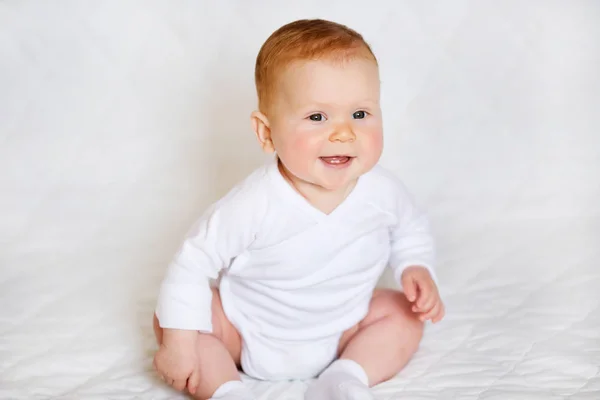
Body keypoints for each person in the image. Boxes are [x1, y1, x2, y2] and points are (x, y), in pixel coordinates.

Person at [152, 18, 445, 400]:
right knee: (176, 319)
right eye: (317, 117)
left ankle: (346, 377)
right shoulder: (254, 203)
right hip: (244, 332)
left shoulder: (383, 191)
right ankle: (228, 390)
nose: (343, 133)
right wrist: (178, 342)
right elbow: (193, 262)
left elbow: (411, 228)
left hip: (343, 331)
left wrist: (415, 266)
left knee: (403, 312)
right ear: (266, 132)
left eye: (360, 114)